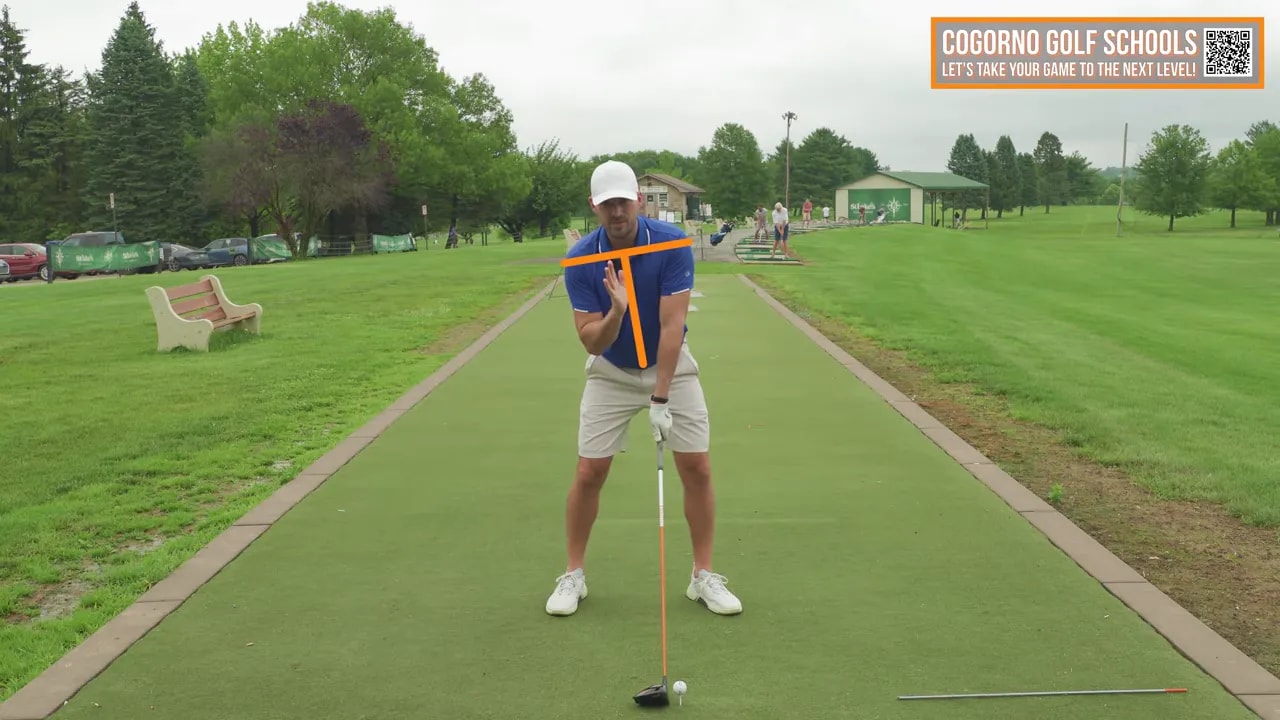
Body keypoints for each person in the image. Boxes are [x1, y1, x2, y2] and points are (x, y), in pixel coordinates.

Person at [546, 160, 744, 618]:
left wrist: (660, 396)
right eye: (607, 204)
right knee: (589, 472)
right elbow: (590, 339)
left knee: (696, 466)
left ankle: (703, 576)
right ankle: (573, 573)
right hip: (611, 369)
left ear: (638, 200)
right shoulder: (581, 261)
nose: (617, 212)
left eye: (623, 201)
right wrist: (617, 311)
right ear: (594, 207)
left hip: (668, 367)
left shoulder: (672, 243)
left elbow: (673, 326)